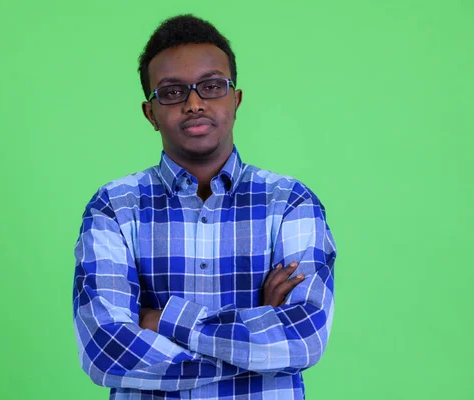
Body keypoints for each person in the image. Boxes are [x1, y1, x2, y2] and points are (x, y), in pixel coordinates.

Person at [73, 14, 337, 400]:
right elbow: (105, 351)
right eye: (173, 92)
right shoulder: (114, 207)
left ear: (236, 99)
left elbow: (304, 338)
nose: (195, 103)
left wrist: (162, 320)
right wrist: (255, 343)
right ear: (150, 113)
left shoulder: (289, 202)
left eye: (212, 86)